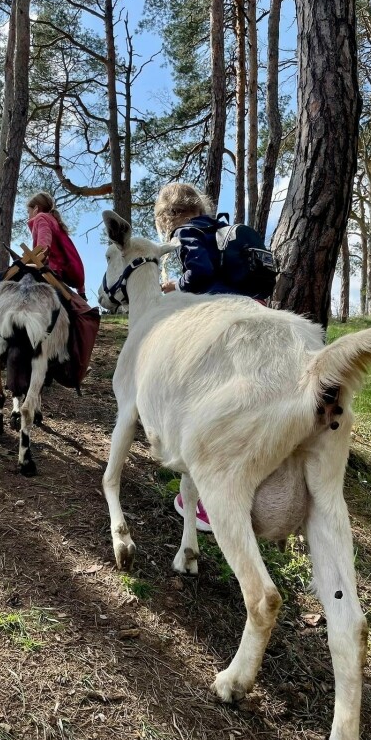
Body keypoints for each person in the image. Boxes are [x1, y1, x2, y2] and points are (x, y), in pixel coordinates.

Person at [154, 182, 236, 532]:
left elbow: (200, 274)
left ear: (166, 216)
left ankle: (207, 503)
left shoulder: (185, 231)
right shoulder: (217, 227)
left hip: (218, 315)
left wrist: (175, 286)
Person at [27, 192, 87, 300]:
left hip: (51, 268)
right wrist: (81, 291)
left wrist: (39, 256)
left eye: (28, 212)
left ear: (36, 208)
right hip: (64, 272)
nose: (28, 216)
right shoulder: (55, 221)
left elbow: (43, 245)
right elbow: (70, 252)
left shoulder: (41, 218)